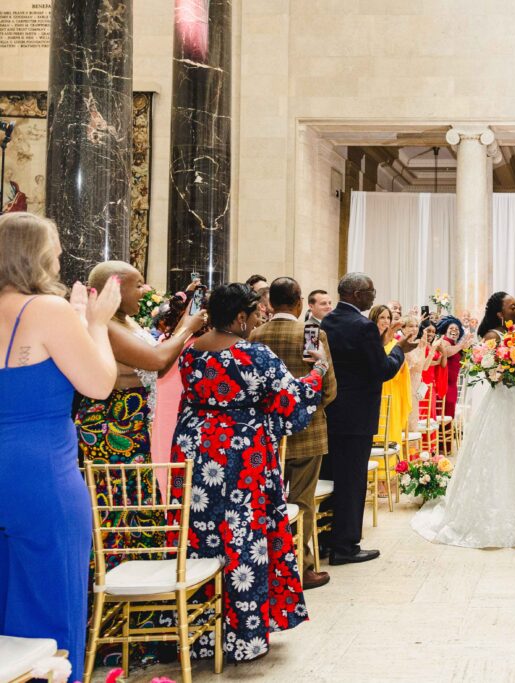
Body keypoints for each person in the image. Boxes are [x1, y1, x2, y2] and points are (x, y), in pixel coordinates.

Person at [169, 283, 328, 663]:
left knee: (199, 536)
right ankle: (243, 634)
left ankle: (202, 633)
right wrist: (318, 369)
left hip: (194, 451)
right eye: (256, 314)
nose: (259, 320)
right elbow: (293, 399)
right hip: (241, 457)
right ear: (241, 317)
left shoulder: (190, 352)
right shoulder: (253, 354)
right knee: (242, 537)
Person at [0, 212, 121, 683]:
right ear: (32, 254)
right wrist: (97, 323)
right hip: (40, 475)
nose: (60, 254)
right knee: (51, 607)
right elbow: (98, 384)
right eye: (54, 245)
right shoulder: (44, 310)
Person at [76, 260, 207, 667]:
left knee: (142, 519)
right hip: (111, 438)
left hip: (133, 438)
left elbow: (159, 362)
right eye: (136, 285)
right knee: (119, 522)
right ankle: (116, 631)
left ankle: (147, 625)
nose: (143, 291)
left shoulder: (126, 324)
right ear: (114, 288)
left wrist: (175, 335)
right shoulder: (107, 327)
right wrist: (186, 327)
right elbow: (153, 360)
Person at [411, 292, 515, 548]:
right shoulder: (492, 335)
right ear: (500, 314)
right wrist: (503, 371)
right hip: (502, 399)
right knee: (497, 451)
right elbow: (488, 371)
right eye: (512, 305)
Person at [319, 273, 418, 564]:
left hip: (332, 412)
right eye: (370, 291)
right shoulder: (362, 326)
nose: (374, 296)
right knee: (352, 481)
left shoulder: (329, 321)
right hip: (357, 415)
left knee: (332, 476)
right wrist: (399, 350)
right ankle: (345, 547)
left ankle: (325, 539)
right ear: (356, 293)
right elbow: (382, 370)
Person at [250, 277, 337, 590]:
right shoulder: (311, 332)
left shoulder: (255, 334)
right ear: (300, 302)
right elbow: (327, 386)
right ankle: (303, 565)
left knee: (268, 502)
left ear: (271, 303)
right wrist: (310, 409)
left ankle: (270, 564)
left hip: (266, 433)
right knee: (302, 502)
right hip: (307, 431)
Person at [369, 304, 412, 444]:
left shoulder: (395, 344)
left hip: (392, 391)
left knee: (389, 431)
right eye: (382, 317)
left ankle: (392, 465)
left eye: (388, 317)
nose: (386, 321)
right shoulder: (369, 340)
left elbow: (401, 368)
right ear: (374, 318)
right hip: (374, 390)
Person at [437, 316, 472, 419]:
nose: (454, 331)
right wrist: (461, 346)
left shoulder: (454, 344)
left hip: (452, 385)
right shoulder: (443, 341)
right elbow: (445, 353)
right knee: (444, 413)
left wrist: (466, 349)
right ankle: (440, 435)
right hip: (444, 384)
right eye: (451, 328)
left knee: (450, 413)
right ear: (445, 330)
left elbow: (460, 363)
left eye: (457, 329)